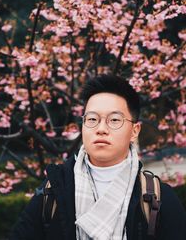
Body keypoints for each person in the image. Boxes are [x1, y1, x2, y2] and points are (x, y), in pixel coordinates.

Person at [10, 74, 186, 240]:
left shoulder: (157, 197)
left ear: (134, 131)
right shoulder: (52, 192)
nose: (101, 128)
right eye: (92, 119)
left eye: (114, 120)